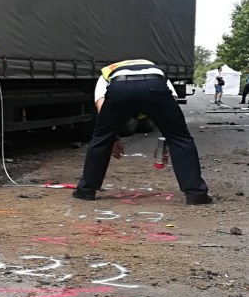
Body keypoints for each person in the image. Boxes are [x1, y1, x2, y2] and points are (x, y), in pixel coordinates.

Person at [73, 59, 212, 205]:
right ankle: (196, 194)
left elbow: (102, 112)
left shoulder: (106, 74)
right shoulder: (155, 69)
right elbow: (171, 114)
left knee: (99, 138)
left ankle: (86, 190)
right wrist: (166, 143)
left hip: (120, 88)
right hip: (154, 85)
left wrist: (111, 138)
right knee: (180, 138)